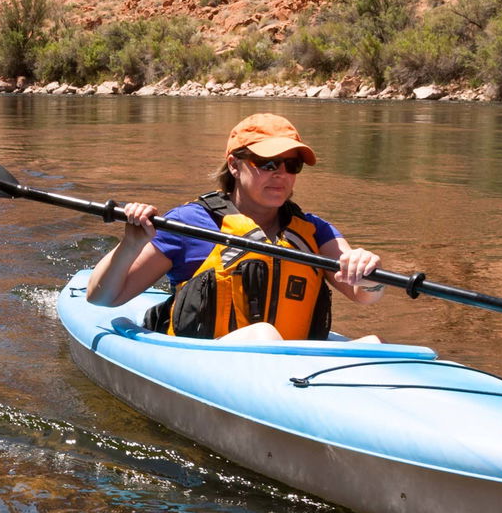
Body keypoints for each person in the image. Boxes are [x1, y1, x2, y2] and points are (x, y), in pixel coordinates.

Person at [86, 112, 384, 342]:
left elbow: (365, 295)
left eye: (291, 165)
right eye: (267, 163)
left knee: (372, 342)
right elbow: (103, 298)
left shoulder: (314, 231)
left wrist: (365, 269)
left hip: (292, 370)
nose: (281, 174)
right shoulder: (190, 224)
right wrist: (131, 244)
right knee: (263, 334)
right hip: (210, 360)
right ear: (233, 165)